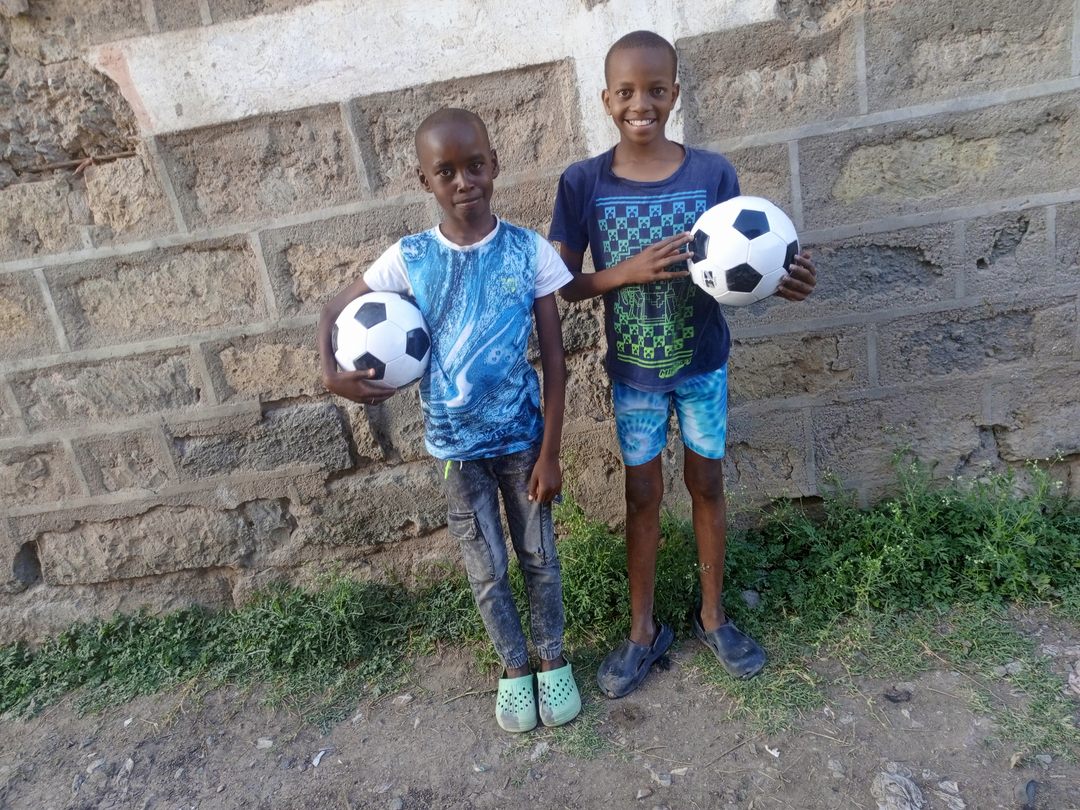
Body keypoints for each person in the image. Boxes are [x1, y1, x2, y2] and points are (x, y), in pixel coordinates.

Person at [549, 31, 818, 698]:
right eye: (626, 92)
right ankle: (642, 630)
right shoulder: (583, 183)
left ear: (675, 93)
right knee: (641, 494)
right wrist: (626, 272)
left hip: (703, 367)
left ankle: (713, 616)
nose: (641, 103)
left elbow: (739, 267)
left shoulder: (712, 175)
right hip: (634, 377)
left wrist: (780, 279)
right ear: (606, 99)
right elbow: (562, 284)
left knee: (707, 484)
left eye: (655, 90)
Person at [318, 107, 581, 732]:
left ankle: (552, 657)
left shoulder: (527, 250)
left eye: (475, 166)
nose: (464, 182)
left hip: (523, 444)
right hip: (457, 453)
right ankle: (514, 666)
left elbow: (555, 359)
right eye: (446, 172)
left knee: (539, 556)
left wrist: (550, 452)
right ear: (425, 181)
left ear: (495, 166)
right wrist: (331, 374)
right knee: (486, 569)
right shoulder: (410, 258)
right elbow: (331, 310)